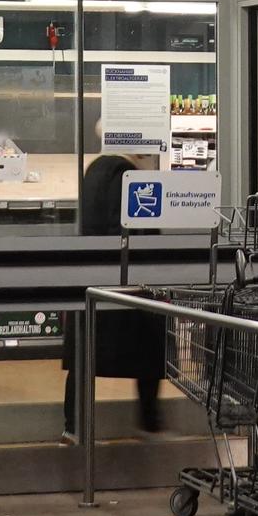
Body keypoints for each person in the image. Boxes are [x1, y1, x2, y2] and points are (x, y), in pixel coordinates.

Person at [61, 150, 166, 436]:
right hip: (125, 279)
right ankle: (149, 422)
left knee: (85, 357)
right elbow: (133, 228)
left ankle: (74, 426)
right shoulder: (125, 176)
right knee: (151, 350)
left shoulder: (96, 169)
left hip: (95, 278)